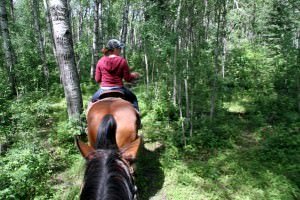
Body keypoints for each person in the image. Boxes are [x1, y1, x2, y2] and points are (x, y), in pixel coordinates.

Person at [91, 39, 140, 112]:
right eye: (119, 48)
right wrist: (134, 75)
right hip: (119, 89)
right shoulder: (122, 61)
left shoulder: (101, 61)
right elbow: (127, 79)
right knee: (133, 98)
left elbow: (97, 79)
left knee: (92, 101)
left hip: (104, 89)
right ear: (115, 49)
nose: (120, 50)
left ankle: (87, 121)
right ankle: (137, 117)